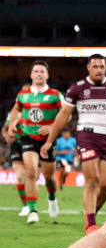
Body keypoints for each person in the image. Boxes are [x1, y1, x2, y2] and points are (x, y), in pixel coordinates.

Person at [40, 54, 106, 235]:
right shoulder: (77, 88)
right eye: (95, 66)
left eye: (102, 66)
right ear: (88, 67)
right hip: (86, 135)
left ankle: (90, 215)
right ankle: (91, 224)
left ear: (105, 68)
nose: (99, 70)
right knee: (92, 179)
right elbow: (63, 115)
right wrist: (49, 141)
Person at [7, 61, 63, 224]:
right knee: (31, 172)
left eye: (42, 71)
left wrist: (51, 126)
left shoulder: (55, 95)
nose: (39, 74)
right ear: (31, 75)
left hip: (48, 140)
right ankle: (32, 210)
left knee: (49, 177)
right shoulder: (23, 95)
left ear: (47, 75)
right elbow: (16, 109)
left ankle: (52, 198)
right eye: (36, 71)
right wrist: (11, 125)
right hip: (28, 137)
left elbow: (66, 115)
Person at [2, 89, 29, 216]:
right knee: (20, 176)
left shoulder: (38, 111)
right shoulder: (13, 112)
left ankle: (33, 203)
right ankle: (25, 206)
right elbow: (5, 129)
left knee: (31, 176)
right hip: (18, 144)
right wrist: (7, 135)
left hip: (34, 144)